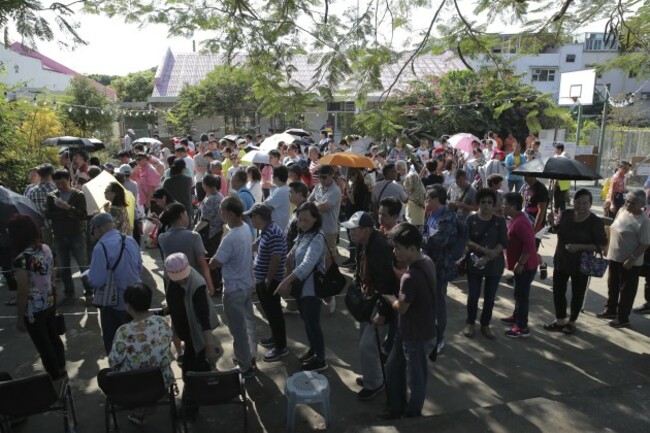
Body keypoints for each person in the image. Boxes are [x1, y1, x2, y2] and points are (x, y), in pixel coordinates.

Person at [381, 223, 436, 419]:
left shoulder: (410, 277)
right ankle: (397, 405)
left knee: (416, 378)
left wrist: (391, 299)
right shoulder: (427, 260)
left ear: (412, 249)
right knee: (393, 367)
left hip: (415, 334)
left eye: (398, 248)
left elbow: (402, 307)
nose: (394, 252)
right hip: (414, 330)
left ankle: (413, 412)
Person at [99, 283, 173, 426]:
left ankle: (137, 409)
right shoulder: (163, 322)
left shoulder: (123, 331)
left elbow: (114, 362)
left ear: (127, 305)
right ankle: (144, 408)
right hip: (160, 383)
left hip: (132, 387)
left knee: (104, 375)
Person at [343, 211, 397, 401]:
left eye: (353, 230)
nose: (350, 233)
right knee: (365, 343)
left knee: (369, 346)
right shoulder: (364, 243)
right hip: (369, 300)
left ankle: (375, 384)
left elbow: (387, 284)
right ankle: (371, 377)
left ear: (366, 230)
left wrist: (382, 312)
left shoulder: (379, 247)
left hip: (380, 303)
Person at [9, 215, 66, 380]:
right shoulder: (45, 249)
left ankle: (54, 375)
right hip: (49, 301)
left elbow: (22, 291)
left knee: (43, 344)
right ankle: (61, 368)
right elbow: (52, 274)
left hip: (33, 309)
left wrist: (20, 318)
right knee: (54, 337)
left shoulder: (21, 260)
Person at [544, 189, 607, 334]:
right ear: (573, 202)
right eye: (578, 202)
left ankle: (572, 322)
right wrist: (552, 223)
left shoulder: (595, 222)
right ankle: (560, 320)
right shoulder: (566, 214)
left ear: (591, 204)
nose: (581, 206)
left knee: (577, 293)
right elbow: (557, 231)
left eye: (585, 203)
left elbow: (601, 246)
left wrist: (579, 247)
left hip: (581, 263)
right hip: (561, 259)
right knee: (558, 291)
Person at [275, 202, 328, 372]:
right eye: (300, 220)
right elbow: (292, 254)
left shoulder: (318, 238)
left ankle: (321, 360)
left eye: (306, 220)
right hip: (301, 289)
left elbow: (307, 265)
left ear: (315, 219)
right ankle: (313, 350)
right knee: (306, 321)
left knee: (313, 324)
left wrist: (287, 281)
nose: (302, 223)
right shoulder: (304, 234)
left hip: (312, 290)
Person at [164, 253, 218, 418]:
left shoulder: (197, 285)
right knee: (195, 368)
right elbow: (176, 303)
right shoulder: (172, 283)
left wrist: (209, 347)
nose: (181, 280)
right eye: (176, 277)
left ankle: (190, 409)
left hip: (197, 336)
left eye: (182, 277)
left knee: (190, 371)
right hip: (187, 335)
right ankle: (205, 390)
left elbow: (204, 319)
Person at [209, 196, 257, 378]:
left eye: (221, 210)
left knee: (238, 330)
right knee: (249, 324)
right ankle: (250, 355)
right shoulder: (245, 228)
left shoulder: (230, 237)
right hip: (246, 284)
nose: (219, 213)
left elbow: (215, 262)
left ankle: (245, 366)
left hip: (234, 288)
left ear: (229, 213)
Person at [87, 213, 143, 354]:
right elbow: (139, 267)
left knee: (115, 343)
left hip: (114, 303)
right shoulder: (130, 240)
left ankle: (118, 373)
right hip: (136, 299)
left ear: (98, 229)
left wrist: (89, 277)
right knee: (135, 341)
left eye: (92, 230)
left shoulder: (101, 247)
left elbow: (97, 280)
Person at [598, 189, 650, 328]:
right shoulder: (622, 211)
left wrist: (631, 259)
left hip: (630, 262)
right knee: (612, 285)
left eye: (632, 203)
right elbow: (614, 229)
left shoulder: (644, 221)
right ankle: (610, 310)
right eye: (627, 201)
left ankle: (622, 318)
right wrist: (606, 247)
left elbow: (645, 243)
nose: (628, 204)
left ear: (642, 205)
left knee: (626, 290)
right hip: (614, 256)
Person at [463, 189, 508, 339]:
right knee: (473, 295)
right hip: (474, 262)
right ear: (478, 203)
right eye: (483, 202)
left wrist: (489, 256)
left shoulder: (499, 221)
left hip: (494, 264)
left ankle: (485, 324)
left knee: (490, 297)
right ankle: (470, 323)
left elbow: (503, 242)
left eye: (489, 202)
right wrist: (482, 250)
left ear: (493, 204)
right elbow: (466, 240)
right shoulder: (471, 220)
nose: (486, 205)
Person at [247, 203, 289, 363]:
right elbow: (255, 246)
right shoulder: (266, 230)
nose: (250, 220)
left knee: (274, 313)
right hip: (263, 280)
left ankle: (281, 347)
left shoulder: (274, 233)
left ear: (258, 217)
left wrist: (268, 279)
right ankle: (275, 337)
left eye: (252, 217)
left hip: (270, 281)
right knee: (270, 312)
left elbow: (276, 258)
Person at [422, 185, 458, 354]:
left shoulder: (448, 217)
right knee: (429, 303)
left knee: (439, 304)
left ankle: (439, 338)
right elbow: (427, 235)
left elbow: (438, 241)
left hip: (440, 268)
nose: (425, 200)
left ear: (436, 199)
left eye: (428, 198)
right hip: (429, 264)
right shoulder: (431, 214)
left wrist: (420, 240)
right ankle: (430, 333)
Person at [46, 169, 89, 303]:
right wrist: (66, 213)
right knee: (64, 267)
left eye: (63, 183)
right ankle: (69, 293)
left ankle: (89, 292)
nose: (60, 186)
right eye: (57, 183)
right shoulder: (51, 196)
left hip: (76, 235)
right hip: (59, 235)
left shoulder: (78, 195)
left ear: (69, 180)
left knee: (83, 265)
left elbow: (83, 215)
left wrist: (68, 208)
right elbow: (48, 214)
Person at [501, 192, 538, 338]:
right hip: (520, 265)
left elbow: (530, 246)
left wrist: (521, 263)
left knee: (522, 296)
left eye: (505, 205)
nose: (503, 207)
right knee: (518, 293)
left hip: (526, 266)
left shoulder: (521, 222)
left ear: (514, 206)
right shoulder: (515, 219)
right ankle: (516, 317)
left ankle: (522, 327)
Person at [159, 202, 215, 295]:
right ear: (181, 215)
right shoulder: (194, 236)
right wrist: (210, 286)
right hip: (193, 284)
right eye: (186, 214)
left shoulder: (162, 238)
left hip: (173, 284)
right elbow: (202, 264)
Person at [193, 174, 224, 293]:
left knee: (209, 261)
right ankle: (216, 285)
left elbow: (204, 221)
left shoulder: (212, 199)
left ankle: (215, 286)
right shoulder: (218, 195)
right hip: (216, 232)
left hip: (210, 234)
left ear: (205, 185)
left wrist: (193, 232)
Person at [27, 163, 57, 246]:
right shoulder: (55, 188)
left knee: (47, 249)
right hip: (56, 224)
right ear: (52, 174)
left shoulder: (32, 191)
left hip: (42, 225)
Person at [163, 159, 194, 224]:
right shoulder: (188, 180)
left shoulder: (167, 181)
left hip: (171, 210)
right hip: (185, 210)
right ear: (183, 169)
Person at [263, 165, 291, 231]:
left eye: (272, 174)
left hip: (277, 228)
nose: (271, 177)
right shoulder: (281, 188)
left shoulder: (282, 190)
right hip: (277, 226)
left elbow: (266, 205)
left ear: (277, 178)